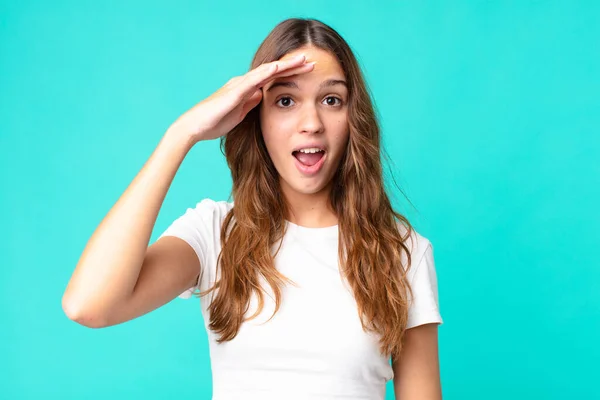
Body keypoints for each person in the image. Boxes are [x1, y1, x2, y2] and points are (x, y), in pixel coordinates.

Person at [62, 18, 443, 400]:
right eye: (285, 100)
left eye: (331, 100)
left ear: (353, 118)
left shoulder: (402, 252)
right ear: (255, 116)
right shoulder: (214, 232)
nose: (311, 123)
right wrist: (183, 133)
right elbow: (89, 305)